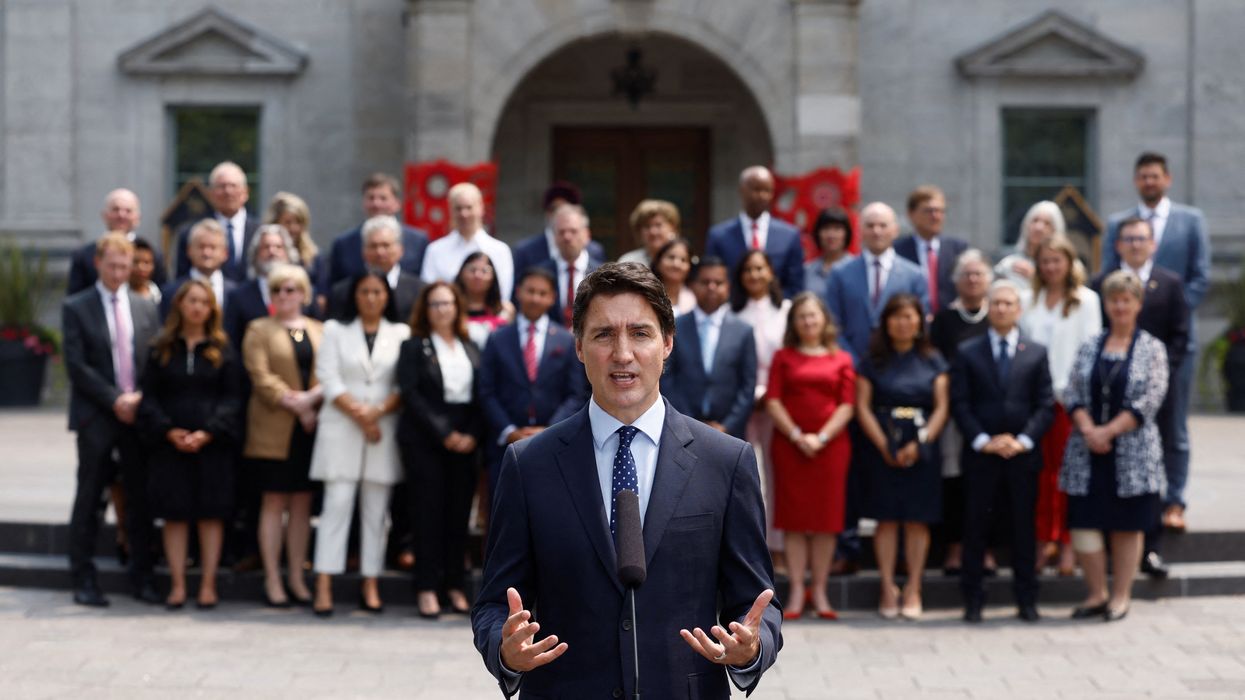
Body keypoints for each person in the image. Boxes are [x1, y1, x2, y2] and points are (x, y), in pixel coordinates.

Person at [471, 262, 782, 697]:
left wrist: (752, 648)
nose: (622, 353)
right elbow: (492, 605)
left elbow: (758, 606)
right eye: (603, 334)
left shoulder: (725, 461)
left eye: (640, 333)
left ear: (667, 343)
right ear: (578, 346)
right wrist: (504, 651)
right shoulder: (529, 464)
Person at [1101, 152, 1210, 534]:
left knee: (1173, 428)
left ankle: (1174, 500)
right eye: (1142, 176)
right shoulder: (1117, 224)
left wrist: (1172, 305)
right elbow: (1104, 281)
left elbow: (1200, 277)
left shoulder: (1190, 221)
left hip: (1174, 348)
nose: (1149, 181)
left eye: (1155, 176)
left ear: (1167, 178)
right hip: (1120, 354)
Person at [1061, 270, 1169, 622]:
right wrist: (1090, 429)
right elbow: (1072, 391)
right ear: (1105, 304)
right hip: (1086, 450)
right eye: (1114, 300)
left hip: (1132, 452)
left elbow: (1149, 399)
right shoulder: (1091, 345)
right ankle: (1096, 593)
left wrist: (1108, 432)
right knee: (1084, 523)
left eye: (1127, 300)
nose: (1120, 306)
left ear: (1138, 304)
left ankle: (1120, 596)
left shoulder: (1152, 348)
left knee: (1127, 524)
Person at [62, 233, 161, 606]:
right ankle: (84, 578)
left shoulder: (145, 307)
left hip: (136, 417)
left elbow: (152, 361)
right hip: (97, 417)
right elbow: (77, 365)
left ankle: (143, 577)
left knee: (139, 498)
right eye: (113, 265)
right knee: (91, 498)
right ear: (98, 263)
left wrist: (138, 399)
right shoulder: (77, 306)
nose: (119, 272)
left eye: (125, 265)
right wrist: (114, 399)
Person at [1090, 216, 1189, 579]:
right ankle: (1112, 553)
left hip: (1156, 394)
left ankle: (1150, 550)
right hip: (1109, 395)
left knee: (1150, 475)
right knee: (1109, 477)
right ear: (1117, 244)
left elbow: (1180, 338)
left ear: (1152, 244)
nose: (1134, 244)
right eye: (1127, 238)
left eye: (1141, 238)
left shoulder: (1170, 283)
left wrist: (1155, 376)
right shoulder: (1100, 285)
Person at [951, 280, 1054, 624]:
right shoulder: (968, 351)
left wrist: (1022, 440)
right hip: (982, 455)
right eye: (996, 303)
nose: (1001, 309)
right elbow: (960, 404)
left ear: (1018, 310)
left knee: (1024, 530)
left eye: (1008, 303)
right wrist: (982, 439)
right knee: (976, 528)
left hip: (1022, 457)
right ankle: (973, 600)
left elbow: (1044, 405)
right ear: (988, 307)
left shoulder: (1036, 352)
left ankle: (1027, 599)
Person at [309, 272, 410, 616]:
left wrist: (377, 412)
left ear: (387, 296)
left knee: (376, 512)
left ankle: (371, 580)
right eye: (364, 291)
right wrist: (362, 416)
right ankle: (324, 581)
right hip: (343, 428)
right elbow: (328, 377)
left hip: (382, 430)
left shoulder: (401, 333)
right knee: (336, 506)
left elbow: (404, 383)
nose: (370, 297)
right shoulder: (336, 330)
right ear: (354, 295)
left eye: (377, 292)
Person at [138, 280, 243, 609]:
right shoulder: (161, 349)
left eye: (203, 302)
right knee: (175, 515)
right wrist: (168, 431)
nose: (197, 307)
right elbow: (149, 397)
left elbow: (233, 398)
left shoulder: (222, 350)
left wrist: (208, 432)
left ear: (212, 308)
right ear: (180, 306)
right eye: (191, 301)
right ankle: (178, 584)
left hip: (211, 446)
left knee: (210, 515)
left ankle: (208, 584)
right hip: (171, 445)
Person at [855, 294, 949, 620]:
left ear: (920, 322)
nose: (903, 323)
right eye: (896, 317)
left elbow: (941, 407)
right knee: (886, 518)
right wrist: (884, 445)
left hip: (921, 445)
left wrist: (920, 444)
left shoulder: (933, 359)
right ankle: (886, 586)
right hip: (881, 444)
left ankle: (913, 586)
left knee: (917, 519)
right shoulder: (872, 360)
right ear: (886, 323)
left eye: (909, 316)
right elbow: (862, 406)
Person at [764, 292, 855, 621]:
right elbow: (773, 400)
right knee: (794, 520)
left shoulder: (841, 358)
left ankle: (820, 589)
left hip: (831, 447)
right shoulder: (783, 357)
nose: (808, 322)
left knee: (826, 522)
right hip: (791, 446)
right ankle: (797, 591)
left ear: (824, 320)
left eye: (813, 315)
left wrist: (822, 436)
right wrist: (798, 435)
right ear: (794, 323)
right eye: (802, 316)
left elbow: (847, 403)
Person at [396, 282, 484, 618]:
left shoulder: (471, 346)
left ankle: (455, 585)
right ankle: (427, 587)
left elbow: (480, 395)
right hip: (426, 440)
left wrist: (470, 434)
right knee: (427, 515)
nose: (442, 309)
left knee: (458, 516)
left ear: (457, 307)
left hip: (465, 440)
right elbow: (411, 394)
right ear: (425, 308)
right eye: (435, 304)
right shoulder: (413, 346)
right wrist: (444, 433)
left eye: (447, 303)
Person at [241, 264, 324, 607]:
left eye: (290, 289)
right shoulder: (259, 328)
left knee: (303, 505)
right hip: (275, 425)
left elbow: (330, 372)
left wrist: (311, 402)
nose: (284, 296)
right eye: (277, 290)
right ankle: (273, 578)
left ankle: (296, 577)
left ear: (303, 293)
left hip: (311, 428)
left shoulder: (321, 329)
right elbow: (260, 376)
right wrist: (298, 405)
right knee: (274, 502)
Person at [1020, 234, 1101, 577]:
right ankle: (1043, 542)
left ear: (1070, 263)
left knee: (1068, 475)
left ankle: (1068, 546)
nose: (1051, 267)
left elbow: (1090, 350)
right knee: (1040, 476)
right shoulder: (1030, 299)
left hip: (1070, 401)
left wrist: (1076, 395)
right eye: (1045, 261)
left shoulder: (1086, 300)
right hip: (1035, 401)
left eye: (1058, 260)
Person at [478, 267, 589, 495]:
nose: (535, 298)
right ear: (518, 292)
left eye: (542, 293)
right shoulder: (498, 338)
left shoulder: (566, 341)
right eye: (530, 291)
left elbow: (575, 393)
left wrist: (549, 430)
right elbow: (486, 391)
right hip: (505, 444)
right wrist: (508, 430)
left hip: (553, 442)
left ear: (552, 298)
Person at [929, 250, 994, 576]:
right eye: (966, 274)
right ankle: (955, 547)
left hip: (991, 411)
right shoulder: (944, 320)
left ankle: (986, 549)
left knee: (987, 482)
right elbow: (937, 364)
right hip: (955, 413)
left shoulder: (995, 315)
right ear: (955, 281)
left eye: (978, 274)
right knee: (955, 481)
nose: (972, 279)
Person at [661, 256, 757, 440]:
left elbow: (747, 386)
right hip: (683, 428)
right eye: (705, 282)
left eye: (718, 282)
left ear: (727, 287)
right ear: (692, 286)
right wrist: (689, 422)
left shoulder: (743, 331)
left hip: (730, 433)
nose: (711, 287)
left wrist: (726, 426)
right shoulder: (675, 328)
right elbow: (667, 378)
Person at [732, 250, 791, 550]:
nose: (754, 275)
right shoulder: (733, 313)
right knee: (750, 476)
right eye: (748, 270)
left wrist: (770, 393)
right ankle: (755, 546)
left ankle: (778, 548)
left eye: (760, 268)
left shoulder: (786, 311)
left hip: (779, 404)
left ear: (770, 273)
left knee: (777, 475)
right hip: (742, 403)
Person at [823, 202, 929, 362]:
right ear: (860, 231)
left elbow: (922, 323)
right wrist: (850, 360)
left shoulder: (914, 275)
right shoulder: (840, 273)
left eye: (883, 225)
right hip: (852, 363)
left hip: (898, 367)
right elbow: (832, 323)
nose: (876, 231)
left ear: (895, 230)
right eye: (870, 226)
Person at [706, 165, 805, 298]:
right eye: (756, 189)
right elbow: (713, 279)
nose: (762, 196)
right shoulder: (719, 236)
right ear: (741, 191)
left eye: (767, 191)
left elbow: (795, 285)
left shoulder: (789, 235)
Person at [327, 173, 429, 286]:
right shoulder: (344, 244)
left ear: (397, 204)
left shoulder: (418, 241)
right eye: (371, 198)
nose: (376, 204)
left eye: (383, 198)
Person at [422, 182, 515, 299]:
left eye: (469, 207)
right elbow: (429, 293)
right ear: (450, 210)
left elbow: (503, 294)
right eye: (458, 208)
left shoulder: (500, 250)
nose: (464, 214)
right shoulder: (435, 250)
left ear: (481, 208)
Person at [327, 215, 424, 325]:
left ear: (400, 250)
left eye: (386, 245)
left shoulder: (419, 290)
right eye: (373, 246)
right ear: (363, 251)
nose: (380, 252)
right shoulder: (342, 292)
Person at [68, 189, 167, 295]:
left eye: (128, 211)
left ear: (138, 217)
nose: (121, 215)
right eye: (116, 209)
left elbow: (163, 293)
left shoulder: (153, 254)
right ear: (104, 215)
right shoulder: (84, 255)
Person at [174, 161, 258, 282]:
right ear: (211, 193)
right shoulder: (190, 232)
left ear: (245, 192)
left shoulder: (261, 232)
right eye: (222, 186)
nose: (228, 191)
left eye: (233, 186)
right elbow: (181, 280)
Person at [222, 224, 299, 352]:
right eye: (266, 247)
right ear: (256, 254)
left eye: (278, 247)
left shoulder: (302, 292)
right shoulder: (238, 297)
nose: (272, 251)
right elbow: (232, 344)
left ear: (287, 253)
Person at [895, 185, 969, 313]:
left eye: (940, 211)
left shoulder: (958, 249)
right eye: (928, 211)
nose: (935, 216)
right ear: (911, 214)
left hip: (949, 324)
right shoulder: (897, 251)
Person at [509, 182, 605, 280]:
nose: (567, 237)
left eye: (568, 208)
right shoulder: (526, 250)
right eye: (555, 208)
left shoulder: (594, 251)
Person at [537, 204, 603, 327]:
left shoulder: (602, 274)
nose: (567, 237)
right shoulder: (540, 273)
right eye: (561, 232)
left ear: (586, 235)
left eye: (573, 231)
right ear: (554, 237)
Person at [161, 219, 236, 319]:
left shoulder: (236, 293)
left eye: (213, 247)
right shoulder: (170, 293)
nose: (206, 253)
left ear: (225, 253)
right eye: (201, 247)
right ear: (189, 250)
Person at [264, 191, 328, 307]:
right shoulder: (266, 254)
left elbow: (321, 299)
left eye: (298, 222)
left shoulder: (314, 257)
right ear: (275, 223)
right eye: (287, 222)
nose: (293, 228)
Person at [995, 200, 1065, 294]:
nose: (1038, 228)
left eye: (1047, 223)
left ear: (1056, 230)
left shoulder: (1066, 266)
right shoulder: (1008, 265)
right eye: (1035, 220)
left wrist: (1037, 278)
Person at [456, 252, 514, 349]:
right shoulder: (451, 308)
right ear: (461, 274)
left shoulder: (505, 310)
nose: (477, 275)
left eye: (484, 271)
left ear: (493, 277)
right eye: (472, 270)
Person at [803, 207, 854, 296]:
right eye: (826, 228)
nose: (831, 235)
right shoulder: (807, 270)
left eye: (837, 229)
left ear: (846, 234)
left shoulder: (857, 268)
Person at [619, 199, 680, 266]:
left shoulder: (686, 262)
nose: (652, 232)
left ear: (673, 228)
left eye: (658, 225)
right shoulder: (628, 262)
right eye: (647, 226)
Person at [650, 236, 697, 315]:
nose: (676, 264)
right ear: (658, 261)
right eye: (671, 257)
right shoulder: (646, 294)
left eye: (683, 260)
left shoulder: (695, 298)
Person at [129, 237, 163, 304]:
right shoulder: (119, 292)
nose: (141, 267)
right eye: (135, 262)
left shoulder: (156, 293)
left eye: (146, 262)